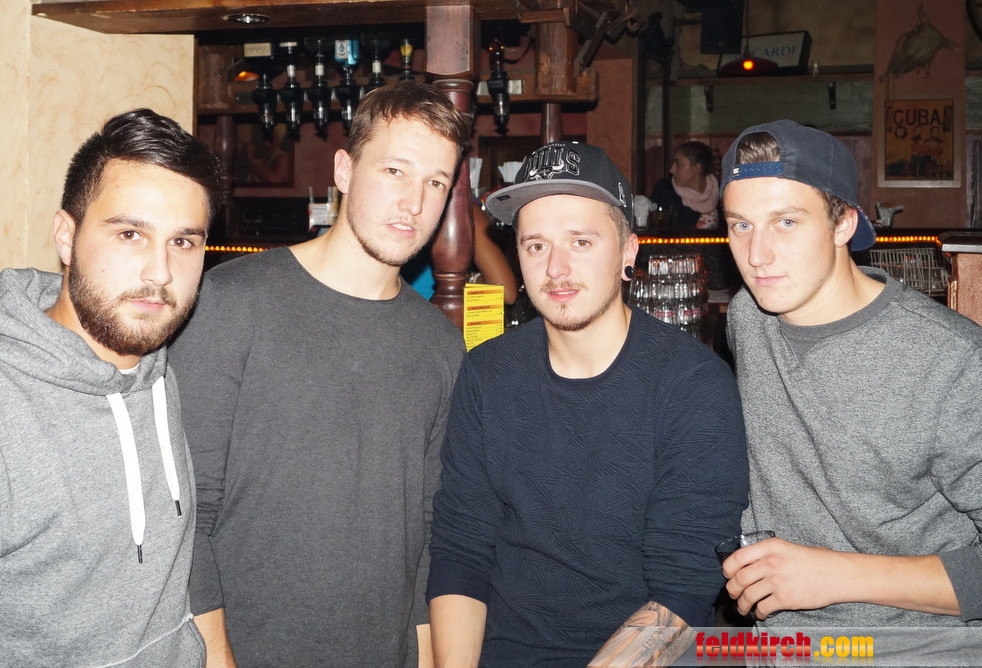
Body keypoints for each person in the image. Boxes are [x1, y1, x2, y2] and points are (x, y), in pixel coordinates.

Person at [170, 80, 471, 667]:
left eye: (436, 183)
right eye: (395, 171)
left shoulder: (439, 343)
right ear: (344, 171)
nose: (414, 203)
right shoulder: (229, 304)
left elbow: (428, 533)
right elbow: (184, 518)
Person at [427, 140, 748, 667]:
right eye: (536, 245)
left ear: (628, 252)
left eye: (580, 241)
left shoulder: (692, 386)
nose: (556, 268)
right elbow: (461, 552)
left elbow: (683, 591)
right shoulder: (488, 374)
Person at [719, 119, 982, 629]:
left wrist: (836, 575)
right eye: (741, 225)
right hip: (779, 645)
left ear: (844, 224)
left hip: (913, 650)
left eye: (786, 222)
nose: (757, 256)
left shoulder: (958, 366)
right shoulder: (749, 317)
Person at [0, 108, 222, 665]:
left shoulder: (157, 363)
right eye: (130, 234)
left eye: (183, 242)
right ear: (66, 236)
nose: (160, 273)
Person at [650, 140, 722, 230]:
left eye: (678, 164)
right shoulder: (664, 191)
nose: (672, 170)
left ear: (697, 168)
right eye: (673, 164)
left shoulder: (722, 192)